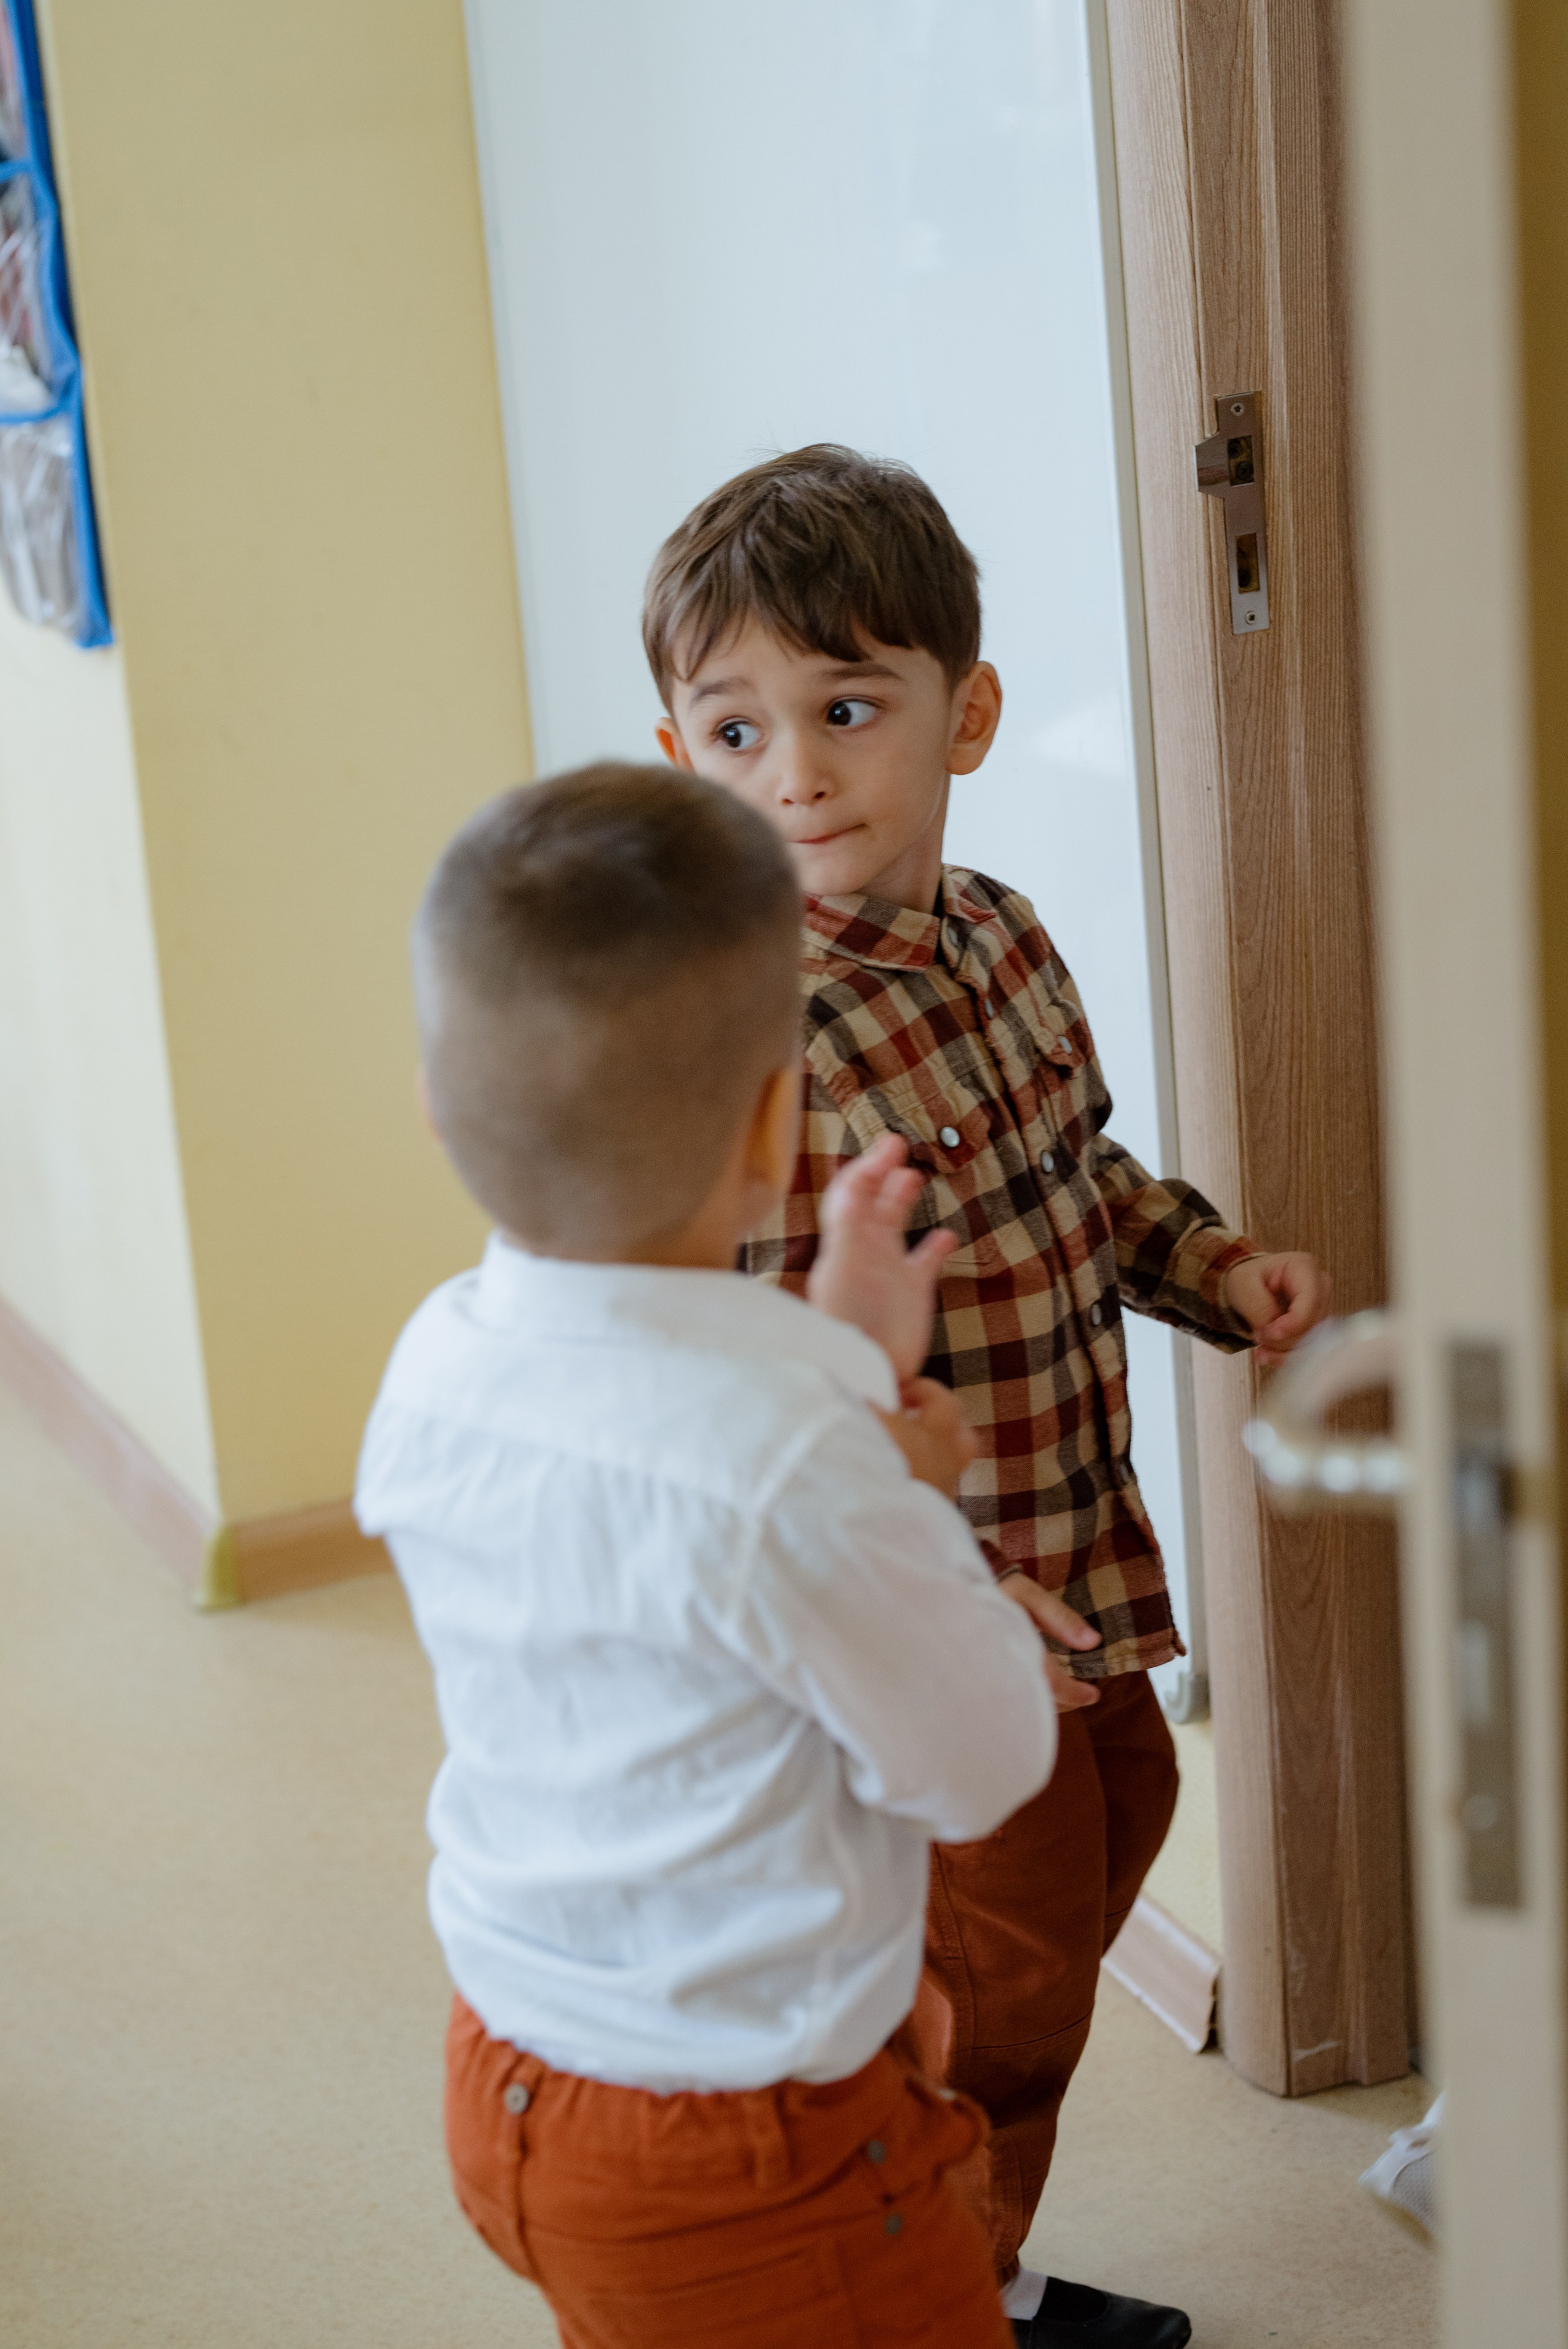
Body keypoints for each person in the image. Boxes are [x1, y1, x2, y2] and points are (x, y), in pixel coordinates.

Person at [646, 445, 1335, 2349]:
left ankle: (969, 2253)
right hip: (933, 1613)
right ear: (679, 752)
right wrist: (897, 1591)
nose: (794, 774)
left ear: (971, 713)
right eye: (735, 730)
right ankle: (935, 2289)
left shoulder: (1008, 941)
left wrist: (1214, 1269)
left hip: (1075, 1560)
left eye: (849, 710)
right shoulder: (749, 1034)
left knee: (1123, 1814)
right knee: (1000, 1971)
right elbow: (749, 1375)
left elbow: (1081, 1181)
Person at [355, 763, 1066, 2348]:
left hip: (514, 2076)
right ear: (773, 1119)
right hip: (752, 2149)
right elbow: (981, 1758)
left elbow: (669, 1554)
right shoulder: (791, 1464)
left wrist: (843, 1380)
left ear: (437, 1104)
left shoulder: (439, 1361)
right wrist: (915, 1496)